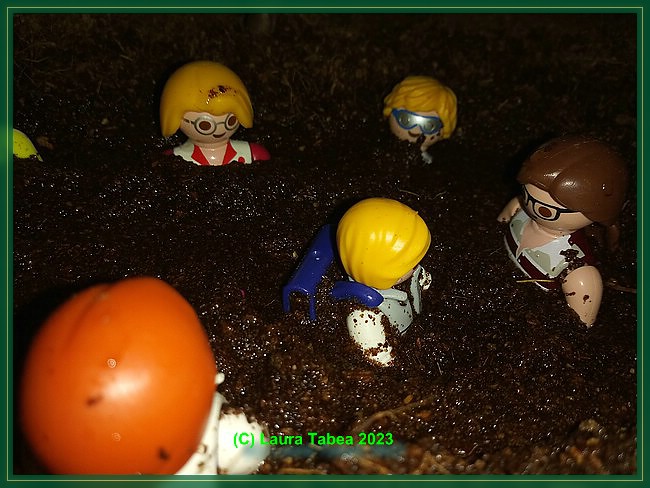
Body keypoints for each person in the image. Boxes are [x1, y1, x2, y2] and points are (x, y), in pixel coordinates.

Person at [283, 198, 432, 366]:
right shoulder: (365, 316)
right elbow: (378, 355)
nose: (416, 265)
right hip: (402, 340)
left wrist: (423, 284)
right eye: (409, 263)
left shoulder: (408, 273)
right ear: (383, 272)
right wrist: (399, 362)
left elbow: (420, 279)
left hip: (418, 327)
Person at [497, 135, 628, 327]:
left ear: (597, 213)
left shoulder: (576, 270)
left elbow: (580, 323)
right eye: (527, 195)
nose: (530, 205)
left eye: (545, 210)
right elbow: (493, 229)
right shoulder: (518, 209)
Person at [160, 60, 270, 166]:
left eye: (230, 121)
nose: (220, 129)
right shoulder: (172, 160)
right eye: (205, 125)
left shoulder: (252, 154)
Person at [382, 75, 457, 160]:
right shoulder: (385, 151)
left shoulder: (427, 160)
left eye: (429, 125)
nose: (416, 129)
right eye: (406, 119)